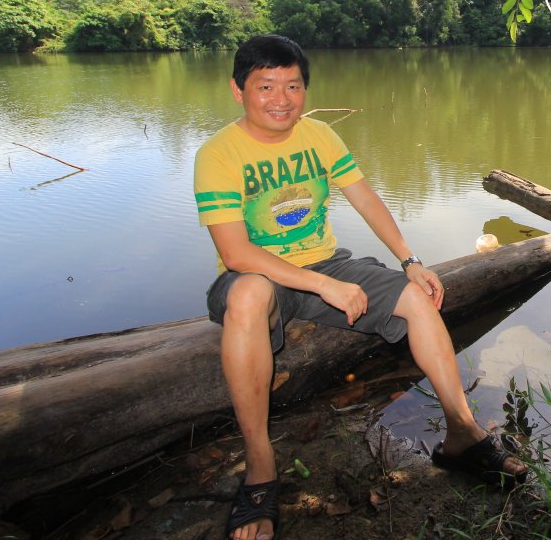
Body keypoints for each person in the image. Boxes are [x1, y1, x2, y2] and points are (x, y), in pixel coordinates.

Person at [194, 35, 527, 540]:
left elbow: (366, 198)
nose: (281, 99)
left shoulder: (320, 136)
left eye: (293, 85)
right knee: (247, 295)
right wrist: (322, 286)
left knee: (418, 298)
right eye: (266, 86)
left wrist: (410, 260)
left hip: (327, 260)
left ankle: (462, 432)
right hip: (257, 275)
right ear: (239, 91)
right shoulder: (218, 153)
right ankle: (260, 467)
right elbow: (238, 254)